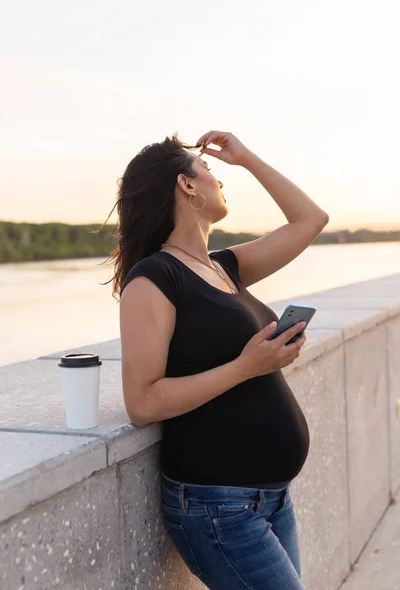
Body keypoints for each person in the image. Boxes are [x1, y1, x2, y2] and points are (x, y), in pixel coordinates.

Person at [108, 130, 329, 589]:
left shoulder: (223, 266)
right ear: (186, 186)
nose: (219, 179)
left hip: (269, 499)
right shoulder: (153, 278)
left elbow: (310, 219)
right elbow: (143, 402)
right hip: (218, 509)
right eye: (208, 170)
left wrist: (246, 157)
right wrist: (247, 366)